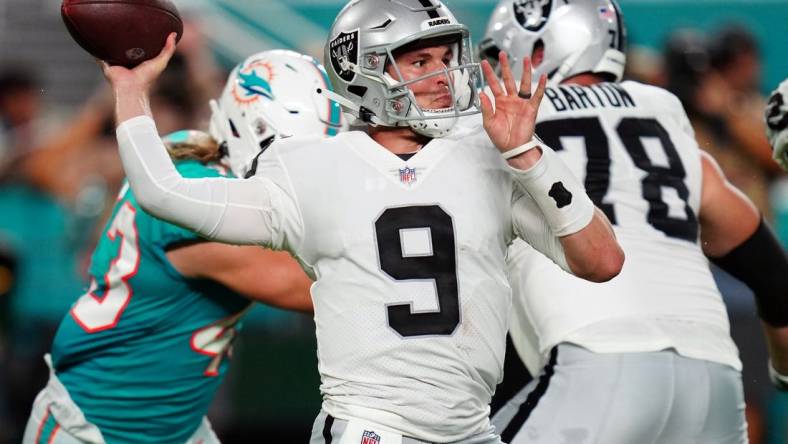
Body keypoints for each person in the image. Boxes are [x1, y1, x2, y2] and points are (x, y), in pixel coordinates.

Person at [101, 0, 625, 441]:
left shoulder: (492, 156)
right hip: (371, 429)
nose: (444, 76)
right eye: (420, 61)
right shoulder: (308, 167)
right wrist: (131, 87)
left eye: (446, 56)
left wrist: (529, 154)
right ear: (363, 68)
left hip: (471, 428)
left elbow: (602, 262)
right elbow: (161, 192)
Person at [480, 1, 788, 443]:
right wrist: (783, 371)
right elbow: (774, 276)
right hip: (715, 382)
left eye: (499, 55)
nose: (493, 69)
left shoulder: (498, 128)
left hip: (596, 365)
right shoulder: (662, 113)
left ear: (540, 48)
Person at [21, 49, 342, 444]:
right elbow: (320, 286)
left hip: (175, 424)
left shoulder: (195, 156)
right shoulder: (199, 210)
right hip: (97, 428)